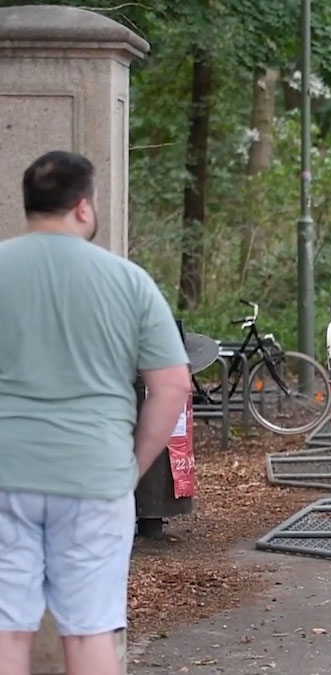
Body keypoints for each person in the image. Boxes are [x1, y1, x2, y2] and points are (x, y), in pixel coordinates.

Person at [0, 151, 192, 675]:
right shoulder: (127, 281)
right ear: (83, 207)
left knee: (5, 630)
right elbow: (172, 385)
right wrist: (131, 464)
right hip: (93, 475)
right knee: (88, 633)